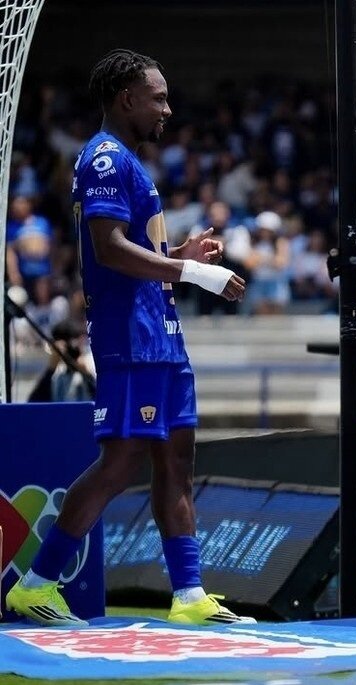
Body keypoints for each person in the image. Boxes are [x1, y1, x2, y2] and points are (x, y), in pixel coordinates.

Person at [5, 49, 251, 627]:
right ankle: (34, 584)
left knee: (177, 460)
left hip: (161, 333)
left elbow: (135, 250)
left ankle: (189, 596)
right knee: (121, 460)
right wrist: (194, 273)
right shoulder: (105, 158)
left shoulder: (129, 162)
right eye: (158, 98)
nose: (167, 109)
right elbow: (109, 248)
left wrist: (179, 254)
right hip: (131, 336)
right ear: (127, 99)